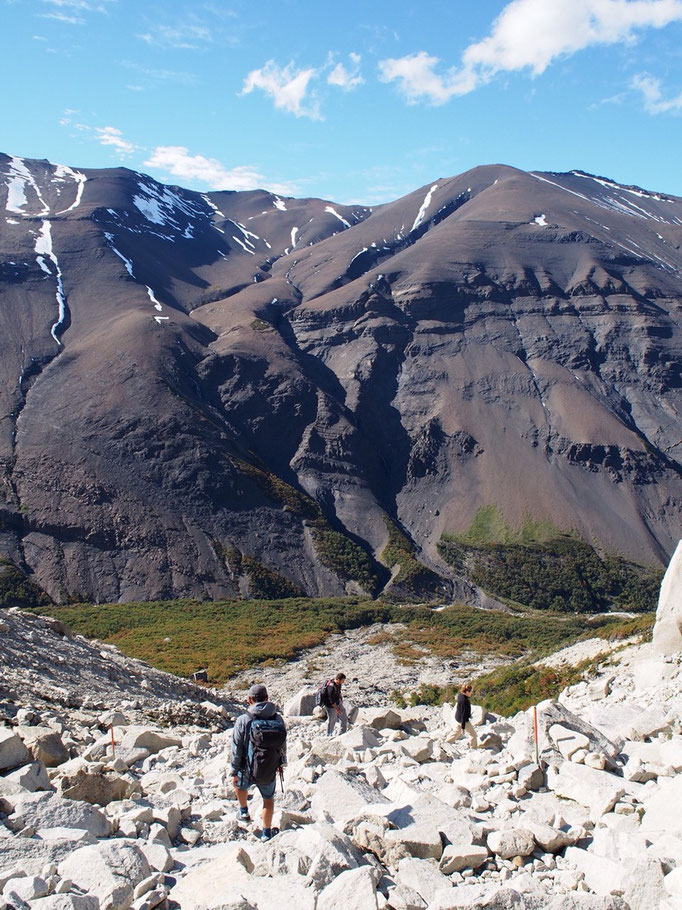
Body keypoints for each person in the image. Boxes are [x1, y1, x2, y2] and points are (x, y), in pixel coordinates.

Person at [230, 683, 286, 841]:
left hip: (247, 767)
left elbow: (236, 747)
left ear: (249, 700)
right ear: (267, 699)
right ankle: (266, 833)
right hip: (269, 767)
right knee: (268, 799)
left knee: (239, 786)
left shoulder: (243, 720)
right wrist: (281, 764)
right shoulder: (278, 718)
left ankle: (243, 811)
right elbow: (283, 744)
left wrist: (234, 770)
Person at [453, 682, 477, 748]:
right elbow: (463, 714)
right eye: (470, 691)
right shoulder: (464, 701)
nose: (471, 693)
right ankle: (473, 748)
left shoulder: (460, 696)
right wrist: (463, 727)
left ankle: (446, 742)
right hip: (463, 720)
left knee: (456, 732)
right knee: (473, 735)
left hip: (458, 718)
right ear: (467, 692)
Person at [325, 672, 347, 736]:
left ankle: (342, 733)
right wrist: (337, 709)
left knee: (344, 716)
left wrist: (340, 697)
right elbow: (331, 701)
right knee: (332, 720)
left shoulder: (339, 684)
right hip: (330, 706)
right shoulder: (331, 687)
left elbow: (339, 691)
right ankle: (328, 734)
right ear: (338, 679)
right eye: (343, 680)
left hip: (337, 702)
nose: (343, 682)